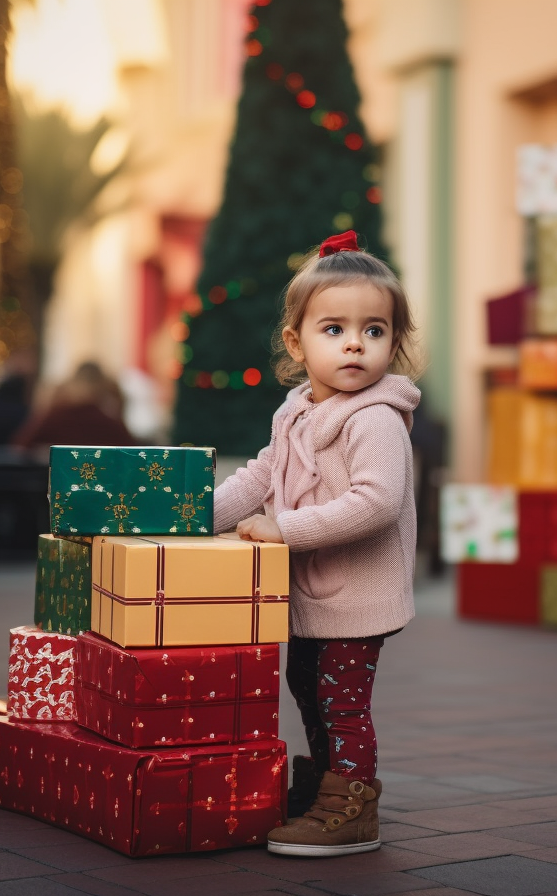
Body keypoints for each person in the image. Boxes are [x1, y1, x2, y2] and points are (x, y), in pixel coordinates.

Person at [213, 231, 421, 858]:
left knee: (343, 699)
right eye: (334, 329)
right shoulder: (297, 411)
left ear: (394, 342)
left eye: (375, 330)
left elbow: (375, 504)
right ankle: (326, 785)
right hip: (309, 593)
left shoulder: (375, 419)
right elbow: (259, 475)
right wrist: (195, 516)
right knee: (308, 684)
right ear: (295, 343)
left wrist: (285, 529)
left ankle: (354, 806)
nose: (355, 342)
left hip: (355, 595)